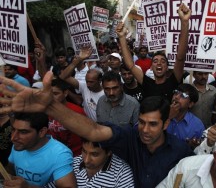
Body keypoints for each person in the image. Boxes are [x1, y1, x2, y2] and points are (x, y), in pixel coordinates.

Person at [0, 73, 194, 188]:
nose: (144, 129)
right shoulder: (129, 137)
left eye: (153, 124)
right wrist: (51, 107)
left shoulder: (181, 153)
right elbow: (93, 131)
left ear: (166, 125)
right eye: (142, 122)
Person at [116, 3, 191, 102]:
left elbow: (180, 58)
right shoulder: (146, 82)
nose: (159, 63)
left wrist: (185, 22)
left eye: (163, 61)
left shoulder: (174, 80)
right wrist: (122, 37)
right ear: (151, 67)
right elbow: (130, 65)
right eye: (155, 61)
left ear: (167, 67)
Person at [3, 112, 76, 187]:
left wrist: (28, 187)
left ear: (42, 132)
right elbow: (10, 170)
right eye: (13, 130)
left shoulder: (60, 154)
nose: (13, 138)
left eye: (23, 132)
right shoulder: (19, 144)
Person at [59, 47, 104, 121]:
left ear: (99, 81)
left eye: (91, 82)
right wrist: (79, 60)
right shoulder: (84, 87)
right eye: (87, 81)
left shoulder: (106, 93)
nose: (88, 85)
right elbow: (63, 76)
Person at [48, 78, 86, 156]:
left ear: (65, 93)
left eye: (55, 94)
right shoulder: (47, 110)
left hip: (76, 155)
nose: (52, 97)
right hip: (56, 153)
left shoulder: (77, 111)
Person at [167, 84, 205, 148]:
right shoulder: (160, 115)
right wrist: (168, 116)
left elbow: (201, 149)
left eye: (183, 96)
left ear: (190, 104)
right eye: (176, 93)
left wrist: (192, 146)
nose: (176, 97)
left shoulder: (197, 125)